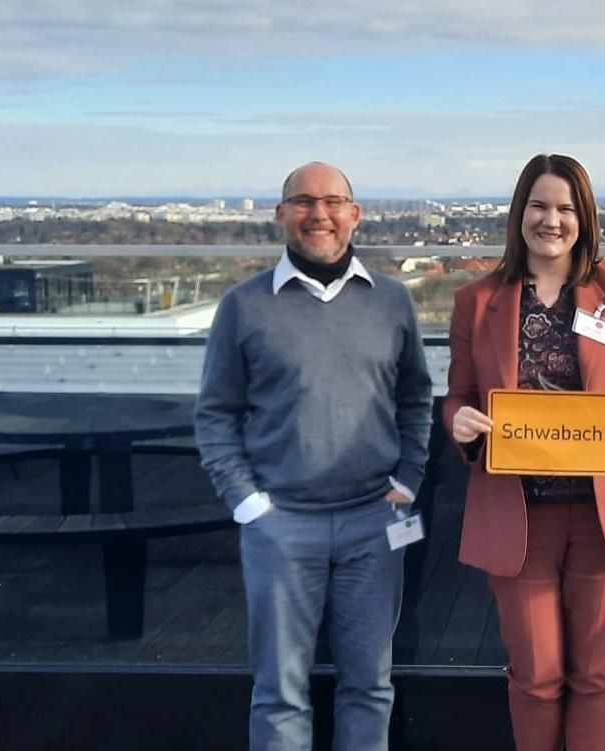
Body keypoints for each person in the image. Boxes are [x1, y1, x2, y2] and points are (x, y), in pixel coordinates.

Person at [194, 161, 433, 751]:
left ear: (355, 214)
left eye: (332, 202)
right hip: (283, 524)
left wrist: (407, 482)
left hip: (375, 523)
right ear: (280, 215)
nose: (318, 214)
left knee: (370, 686)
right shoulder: (244, 306)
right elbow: (216, 412)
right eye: (302, 202)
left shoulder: (393, 301)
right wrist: (249, 505)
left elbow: (415, 398)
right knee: (279, 693)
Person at [443, 153, 605, 751]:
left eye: (566, 208)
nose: (552, 219)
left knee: (596, 672)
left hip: (602, 513)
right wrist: (458, 420)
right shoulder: (477, 300)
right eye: (539, 205)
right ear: (520, 213)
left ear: (583, 218)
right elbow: (456, 395)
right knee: (536, 674)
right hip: (517, 515)